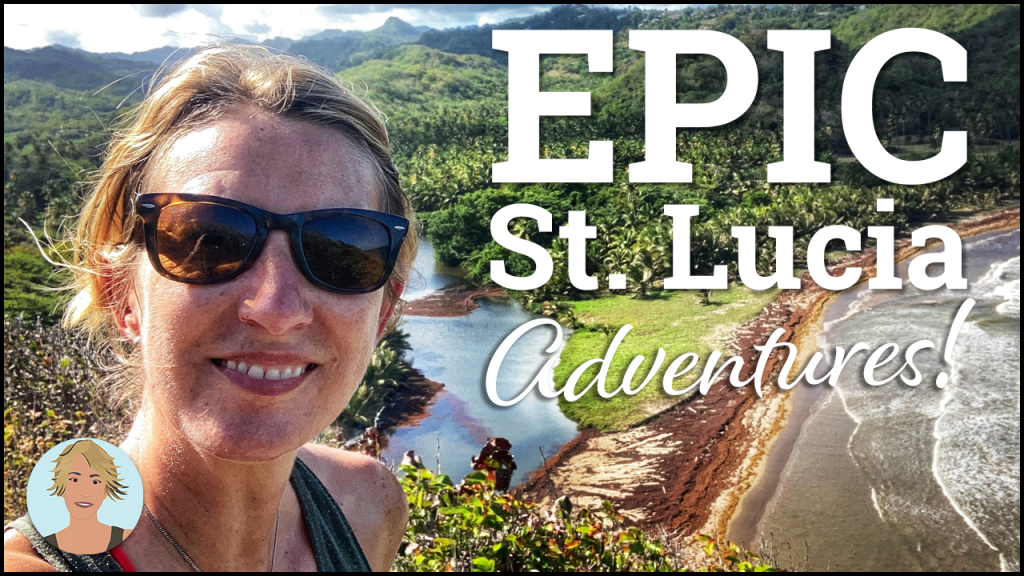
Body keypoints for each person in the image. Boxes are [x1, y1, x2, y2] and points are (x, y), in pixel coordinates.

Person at [4, 43, 418, 572]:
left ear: (382, 314)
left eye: (342, 250)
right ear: (120, 294)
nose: (275, 308)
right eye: (208, 240)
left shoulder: (367, 507)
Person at [43, 440, 132, 555]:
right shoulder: (44, 548)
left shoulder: (127, 538)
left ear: (106, 491)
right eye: (74, 480)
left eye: (95, 482)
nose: (85, 492)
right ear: (61, 486)